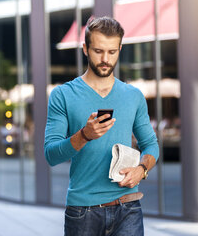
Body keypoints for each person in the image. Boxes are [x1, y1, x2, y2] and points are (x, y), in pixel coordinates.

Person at [44, 17, 159, 236]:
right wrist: (84, 135)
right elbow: (51, 155)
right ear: (85, 49)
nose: (105, 59)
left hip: (128, 207)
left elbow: (151, 145)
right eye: (98, 51)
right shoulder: (63, 95)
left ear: (120, 49)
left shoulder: (133, 96)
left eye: (112, 52)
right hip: (82, 211)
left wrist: (141, 170)